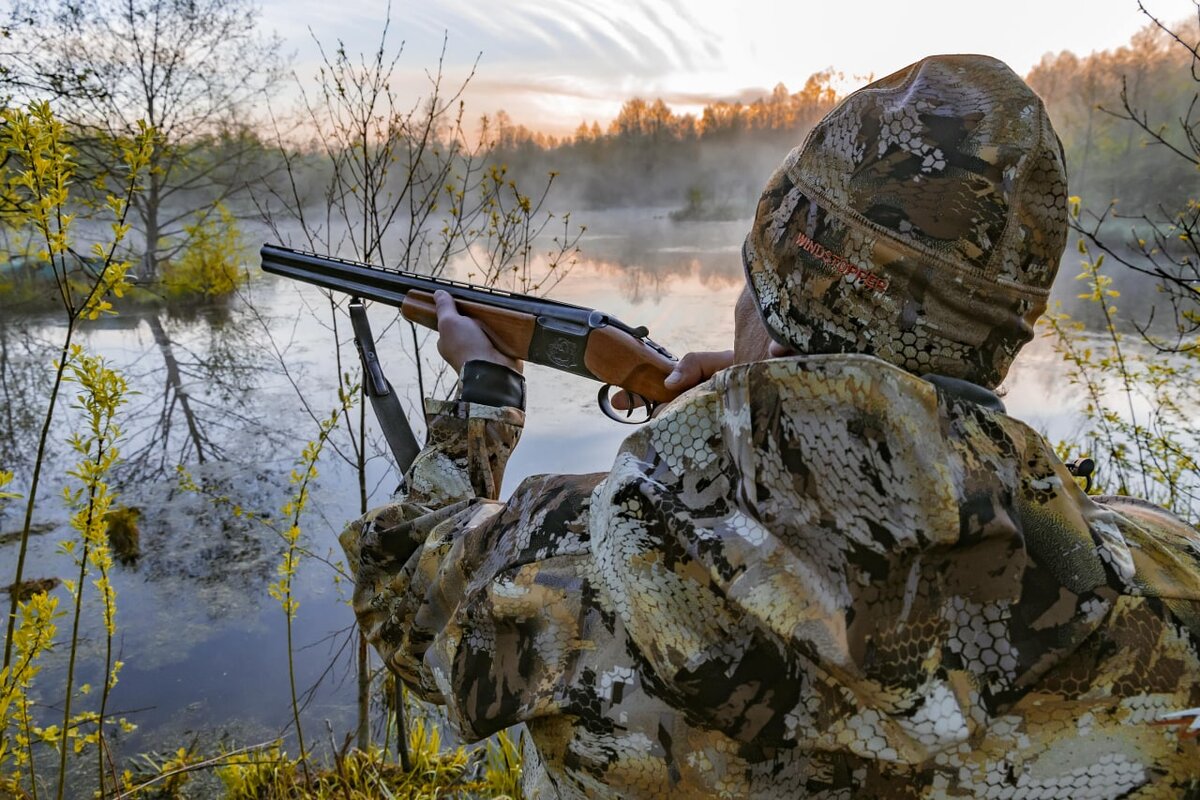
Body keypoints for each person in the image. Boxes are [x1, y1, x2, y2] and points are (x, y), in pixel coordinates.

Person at [340, 54, 1200, 798]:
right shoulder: (1168, 583)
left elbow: (404, 588)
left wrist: (486, 392)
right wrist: (771, 413)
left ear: (781, 314)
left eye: (750, 287)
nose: (736, 305)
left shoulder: (583, 561)